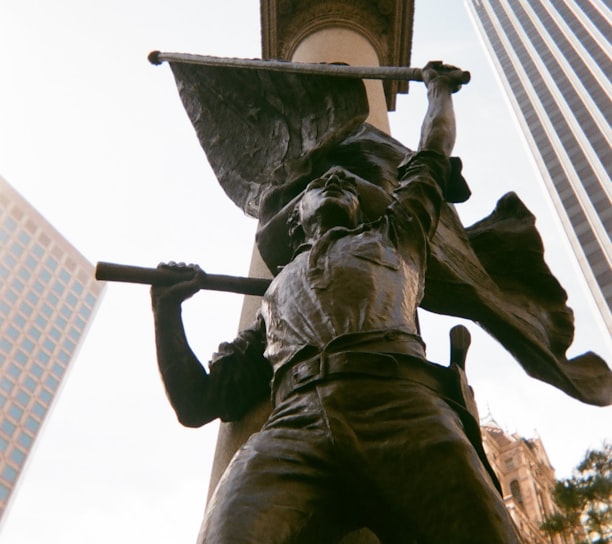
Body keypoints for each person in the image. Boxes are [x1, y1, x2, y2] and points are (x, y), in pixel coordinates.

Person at [150, 62, 521, 543]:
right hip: (295, 423)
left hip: (402, 411)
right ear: (294, 217)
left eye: (348, 183)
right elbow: (196, 402)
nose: (337, 182)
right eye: (322, 183)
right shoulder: (273, 301)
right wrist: (167, 313)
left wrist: (439, 91)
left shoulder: (398, 234)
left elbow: (432, 152)